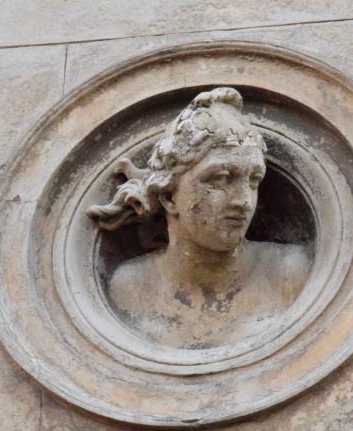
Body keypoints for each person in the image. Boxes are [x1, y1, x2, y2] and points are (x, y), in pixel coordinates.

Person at [86, 87, 311, 348]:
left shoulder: (289, 271)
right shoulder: (130, 286)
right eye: (219, 179)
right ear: (169, 197)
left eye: (253, 180)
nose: (243, 201)